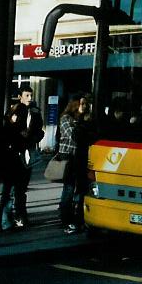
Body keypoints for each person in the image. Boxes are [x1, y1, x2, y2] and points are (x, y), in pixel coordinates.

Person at [0, 86, 44, 229]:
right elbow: (8, 130)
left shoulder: (35, 113)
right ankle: (6, 218)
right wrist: (20, 134)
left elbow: (39, 131)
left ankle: (20, 216)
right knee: (9, 189)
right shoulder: (14, 111)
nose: (30, 98)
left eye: (31, 95)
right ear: (20, 96)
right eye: (27, 95)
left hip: (25, 153)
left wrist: (34, 137)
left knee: (20, 189)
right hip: (12, 154)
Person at [58, 95, 88, 233]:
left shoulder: (85, 119)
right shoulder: (66, 119)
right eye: (82, 103)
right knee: (69, 188)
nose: (84, 106)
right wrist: (81, 120)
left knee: (81, 189)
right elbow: (74, 136)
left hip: (81, 157)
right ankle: (65, 218)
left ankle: (79, 218)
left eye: (86, 104)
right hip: (69, 157)